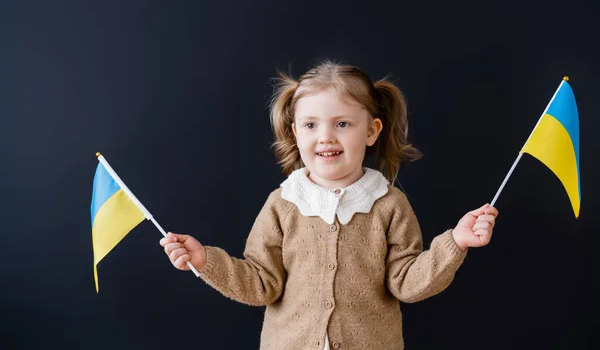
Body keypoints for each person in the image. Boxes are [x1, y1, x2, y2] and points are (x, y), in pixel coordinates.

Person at [160, 60, 498, 350]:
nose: (326, 137)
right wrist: (206, 261)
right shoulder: (284, 203)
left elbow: (407, 283)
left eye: (342, 124)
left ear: (371, 131)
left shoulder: (389, 204)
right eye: (311, 125)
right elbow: (261, 282)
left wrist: (455, 243)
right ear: (296, 132)